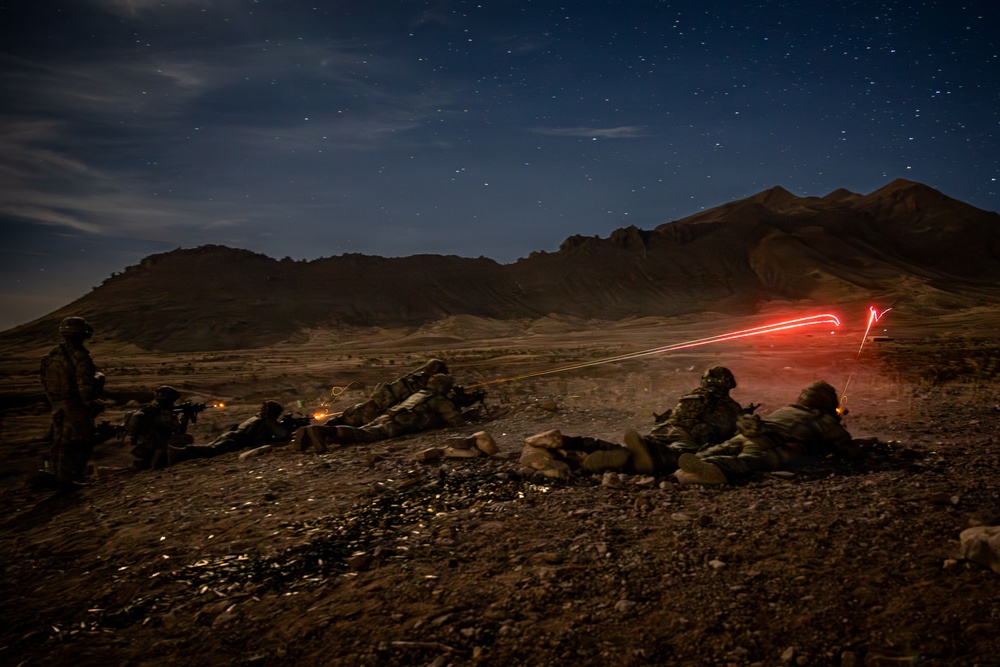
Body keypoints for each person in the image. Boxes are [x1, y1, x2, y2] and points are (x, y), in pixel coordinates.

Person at [549, 366, 755, 475]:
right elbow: (732, 434)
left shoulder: (691, 397)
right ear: (728, 384)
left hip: (664, 429)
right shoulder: (729, 406)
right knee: (681, 457)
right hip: (687, 436)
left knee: (643, 446)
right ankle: (637, 462)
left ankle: (575, 444)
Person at [675, 380, 861, 485]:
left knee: (719, 448)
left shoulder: (788, 409)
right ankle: (714, 467)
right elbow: (847, 449)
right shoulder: (825, 420)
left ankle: (689, 461)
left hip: (747, 434)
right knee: (747, 461)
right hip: (770, 443)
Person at [297, 374, 466, 451]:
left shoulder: (420, 393)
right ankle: (324, 431)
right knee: (364, 434)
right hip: (397, 423)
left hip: (389, 415)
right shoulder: (439, 399)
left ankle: (312, 437)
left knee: (363, 430)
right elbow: (455, 421)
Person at [39, 316, 105, 489]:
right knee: (78, 441)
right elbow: (85, 385)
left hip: (57, 404)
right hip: (75, 406)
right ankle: (67, 479)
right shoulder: (80, 357)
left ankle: (52, 474)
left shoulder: (52, 355)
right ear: (82, 334)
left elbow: (44, 381)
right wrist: (90, 403)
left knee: (59, 440)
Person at [324, 359, 449, 427]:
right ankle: (325, 432)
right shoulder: (422, 385)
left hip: (375, 404)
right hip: (382, 411)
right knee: (359, 428)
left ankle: (324, 428)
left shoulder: (412, 379)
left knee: (349, 415)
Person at [167, 400, 294, 464]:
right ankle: (179, 452)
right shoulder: (268, 420)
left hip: (230, 436)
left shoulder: (257, 417)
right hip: (234, 441)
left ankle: (179, 452)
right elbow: (282, 435)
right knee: (209, 451)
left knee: (208, 448)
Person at [124, 385, 196, 469]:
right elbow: (179, 430)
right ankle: (159, 461)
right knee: (187, 438)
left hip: (142, 446)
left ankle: (149, 461)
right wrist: (185, 417)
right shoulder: (164, 413)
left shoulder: (150, 409)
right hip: (154, 446)